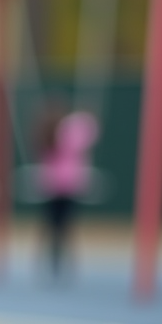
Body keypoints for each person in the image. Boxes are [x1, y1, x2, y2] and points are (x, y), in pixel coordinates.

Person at [36, 108, 99, 282]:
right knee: (65, 229)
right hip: (67, 189)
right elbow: (89, 127)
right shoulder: (66, 139)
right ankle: (63, 265)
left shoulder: (49, 138)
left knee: (53, 228)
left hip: (54, 190)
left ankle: (54, 264)